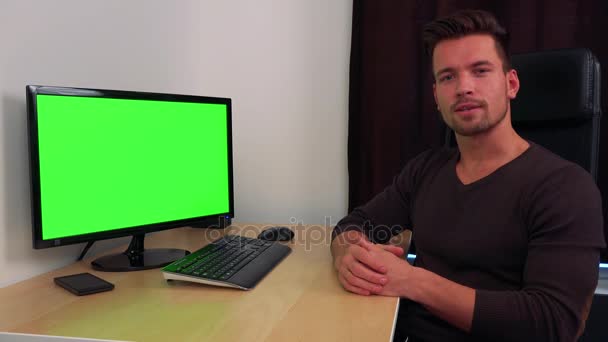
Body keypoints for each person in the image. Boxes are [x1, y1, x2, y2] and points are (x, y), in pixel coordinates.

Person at [331, 9, 605, 342]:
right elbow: (354, 224)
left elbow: (553, 324)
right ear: (436, 97)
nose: (463, 88)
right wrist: (347, 253)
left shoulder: (565, 187)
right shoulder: (425, 170)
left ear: (511, 84)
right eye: (447, 77)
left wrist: (414, 281)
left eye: (480, 71)